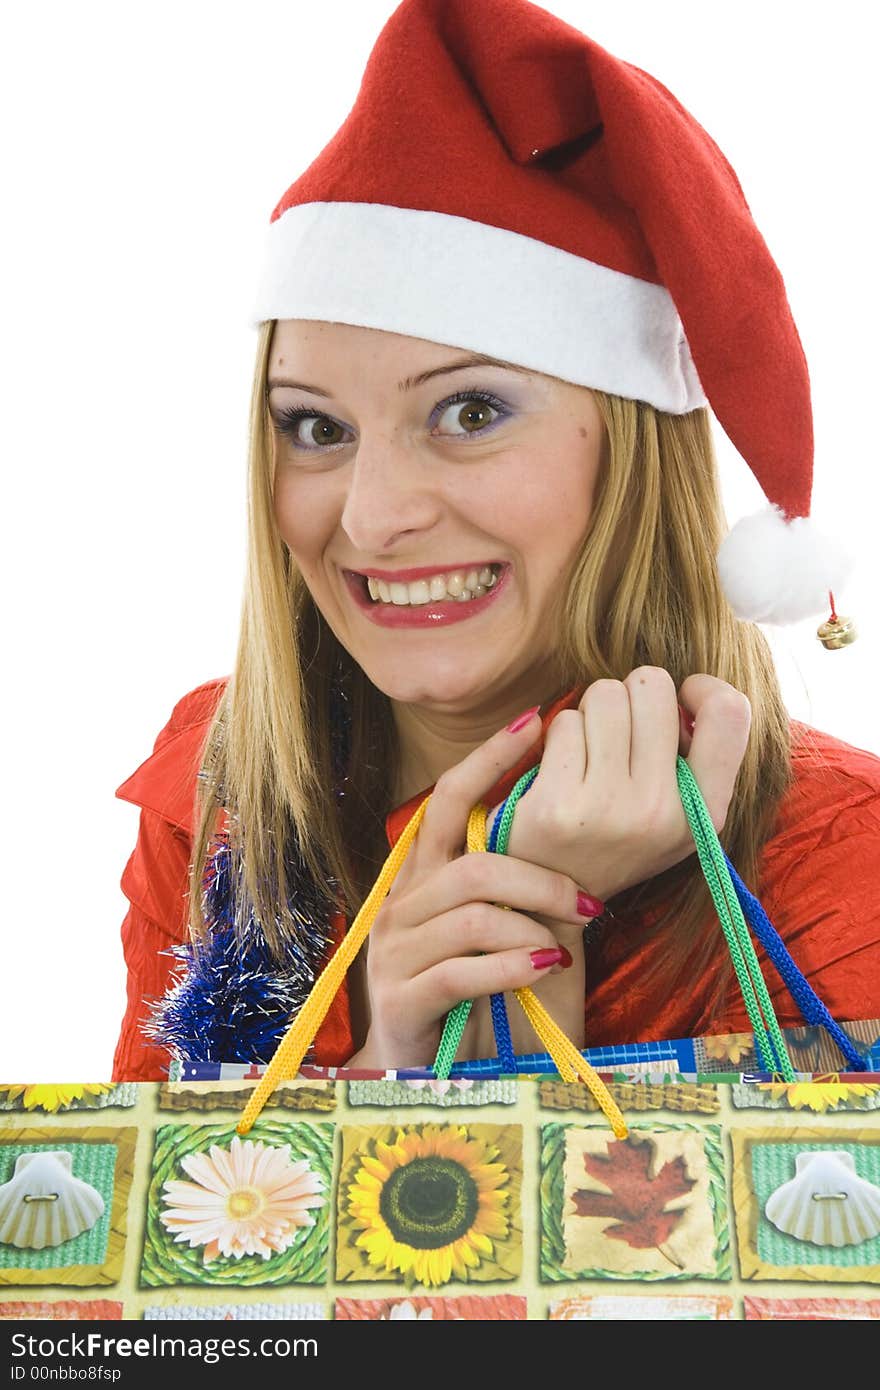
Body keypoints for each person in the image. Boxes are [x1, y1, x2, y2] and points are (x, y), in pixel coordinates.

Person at [112, 0, 880, 1083]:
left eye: (468, 411)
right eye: (316, 428)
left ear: (629, 453)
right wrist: (387, 1067)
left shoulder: (844, 856)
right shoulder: (226, 799)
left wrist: (526, 968)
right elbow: (164, 1233)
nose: (371, 517)